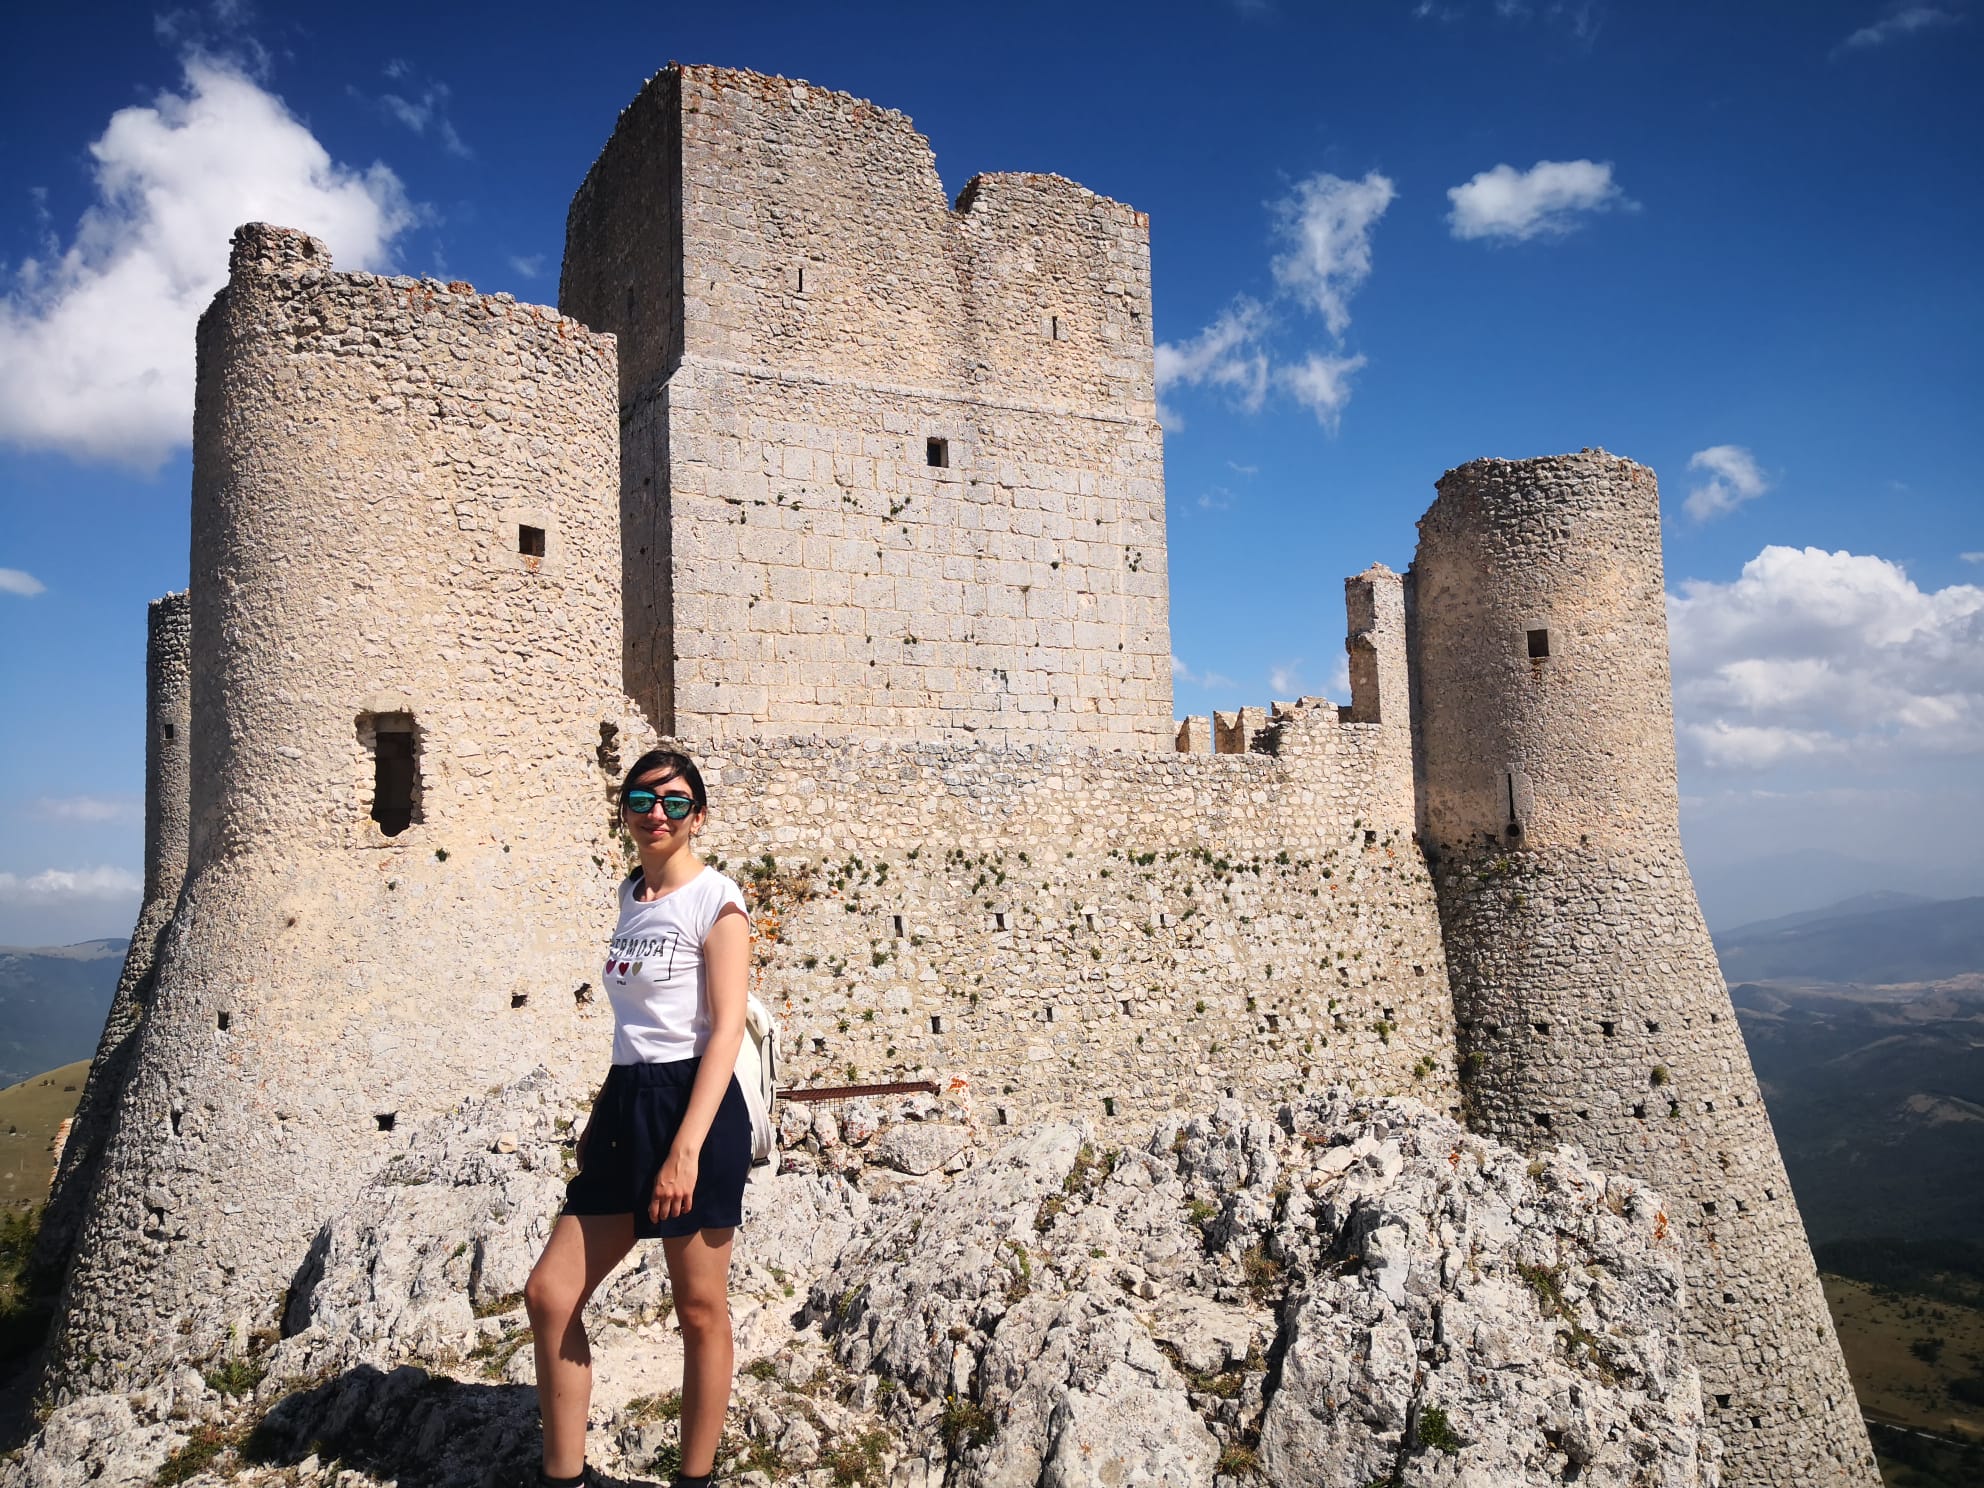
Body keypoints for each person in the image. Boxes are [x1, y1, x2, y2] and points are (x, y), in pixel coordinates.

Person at [525, 749, 752, 1488]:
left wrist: (685, 1147)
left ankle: (694, 1480)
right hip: (627, 1103)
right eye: (644, 799)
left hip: (695, 1109)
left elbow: (725, 1028)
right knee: (550, 1294)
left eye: (677, 802)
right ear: (623, 809)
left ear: (698, 816)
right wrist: (606, 1112)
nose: (658, 813)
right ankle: (565, 1478)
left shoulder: (716, 900)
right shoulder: (632, 896)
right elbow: (635, 1027)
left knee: (697, 1310)